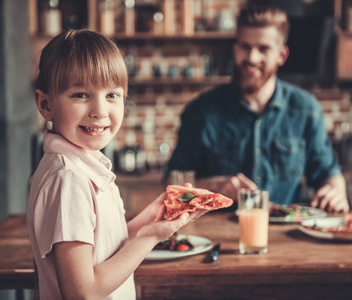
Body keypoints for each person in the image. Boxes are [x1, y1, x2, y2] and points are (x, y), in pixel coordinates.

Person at [26, 29, 203, 300]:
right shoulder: (69, 178)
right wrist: (151, 237)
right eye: (81, 95)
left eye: (112, 95)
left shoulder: (85, 165)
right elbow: (82, 292)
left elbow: (106, 247)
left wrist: (154, 217)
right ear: (46, 104)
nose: (99, 110)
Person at [165, 5, 349, 213]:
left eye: (263, 48)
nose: (252, 58)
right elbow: (173, 188)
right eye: (245, 47)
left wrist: (335, 193)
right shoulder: (200, 111)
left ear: (282, 55)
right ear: (235, 49)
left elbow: (329, 174)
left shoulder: (306, 110)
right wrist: (214, 187)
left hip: (285, 235)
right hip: (215, 235)